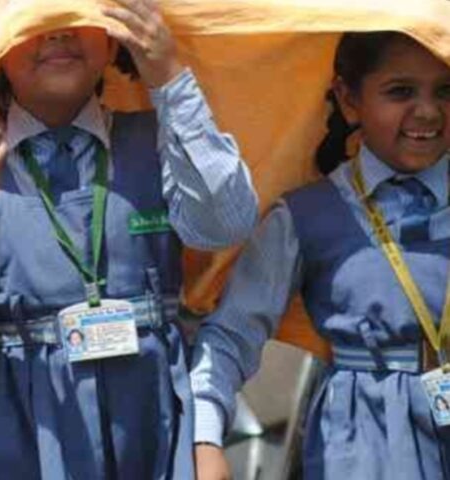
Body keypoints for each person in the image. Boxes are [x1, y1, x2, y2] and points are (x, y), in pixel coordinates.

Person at [0, 0, 258, 477]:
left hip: (152, 418)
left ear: (113, 38)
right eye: (34, 20)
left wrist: (170, 78)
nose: (57, 33)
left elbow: (226, 225)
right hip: (23, 428)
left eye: (76, 14)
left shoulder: (158, 136)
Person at [191, 31, 450, 479]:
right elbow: (233, 333)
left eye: (445, 91)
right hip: (362, 444)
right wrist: (205, 438)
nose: (428, 111)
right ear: (348, 100)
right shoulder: (305, 216)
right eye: (400, 92)